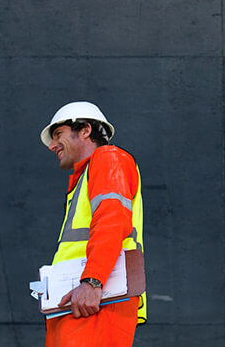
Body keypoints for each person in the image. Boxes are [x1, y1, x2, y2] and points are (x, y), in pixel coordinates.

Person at [40, 101, 146, 347]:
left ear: (86, 130)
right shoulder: (85, 177)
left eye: (58, 134)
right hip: (78, 301)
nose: (53, 145)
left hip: (95, 300)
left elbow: (112, 219)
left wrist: (93, 281)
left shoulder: (108, 158)